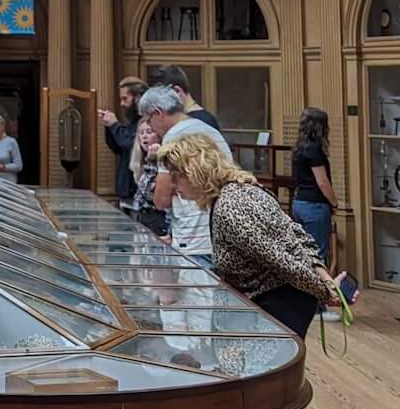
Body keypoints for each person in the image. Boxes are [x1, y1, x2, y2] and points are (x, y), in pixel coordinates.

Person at [161, 136, 342, 336]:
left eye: (176, 176)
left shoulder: (230, 206)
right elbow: (296, 235)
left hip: (275, 308)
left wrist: (326, 292)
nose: (173, 185)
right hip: (273, 304)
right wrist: (325, 279)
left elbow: (280, 260)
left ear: (194, 172)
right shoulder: (242, 189)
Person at [140, 82, 232, 265]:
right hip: (218, 234)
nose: (150, 127)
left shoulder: (173, 137)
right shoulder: (210, 130)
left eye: (149, 120)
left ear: (158, 113)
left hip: (192, 238)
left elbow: (161, 200)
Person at [290, 106, 339, 268]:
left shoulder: (299, 147)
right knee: (317, 255)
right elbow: (322, 182)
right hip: (315, 206)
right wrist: (334, 202)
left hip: (299, 203)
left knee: (302, 253)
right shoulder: (314, 149)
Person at [98, 78, 145, 207]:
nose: (121, 104)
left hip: (138, 194)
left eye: (125, 99)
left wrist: (114, 125)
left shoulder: (146, 123)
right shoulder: (133, 123)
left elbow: (130, 145)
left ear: (137, 98)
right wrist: (109, 126)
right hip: (126, 193)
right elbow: (118, 148)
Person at [130, 117, 170, 237]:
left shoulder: (164, 160)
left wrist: (152, 162)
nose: (144, 136)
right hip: (142, 218)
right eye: (141, 133)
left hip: (160, 219)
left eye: (149, 132)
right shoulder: (140, 161)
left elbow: (148, 193)